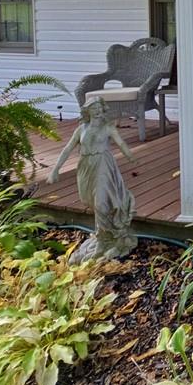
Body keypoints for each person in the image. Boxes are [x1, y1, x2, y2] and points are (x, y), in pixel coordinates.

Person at [47, 97, 137, 263]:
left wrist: (132, 158)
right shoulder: (81, 129)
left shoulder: (108, 127)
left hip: (103, 164)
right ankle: (104, 235)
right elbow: (67, 149)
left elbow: (121, 144)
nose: (96, 111)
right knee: (90, 201)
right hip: (86, 167)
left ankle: (104, 241)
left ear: (103, 109)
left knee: (101, 203)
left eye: (98, 108)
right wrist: (55, 169)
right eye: (92, 108)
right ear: (87, 112)